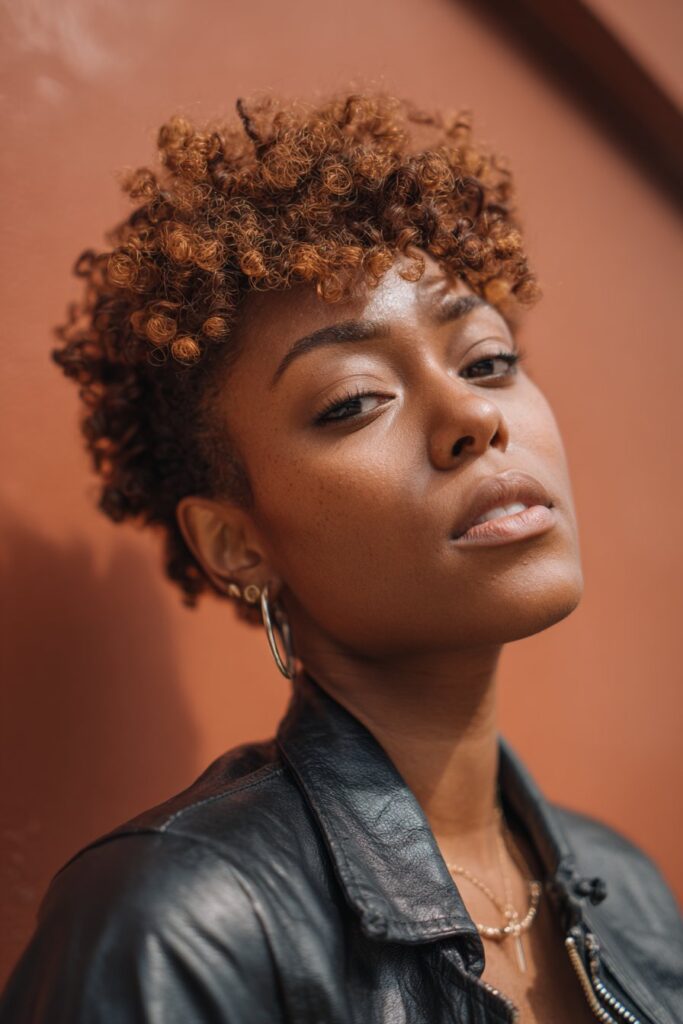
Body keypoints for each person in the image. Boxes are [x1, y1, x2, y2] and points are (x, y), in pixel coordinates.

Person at [1, 89, 680, 1024]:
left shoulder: (630, 890)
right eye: (355, 400)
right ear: (237, 542)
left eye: (486, 359)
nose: (476, 417)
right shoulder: (180, 922)